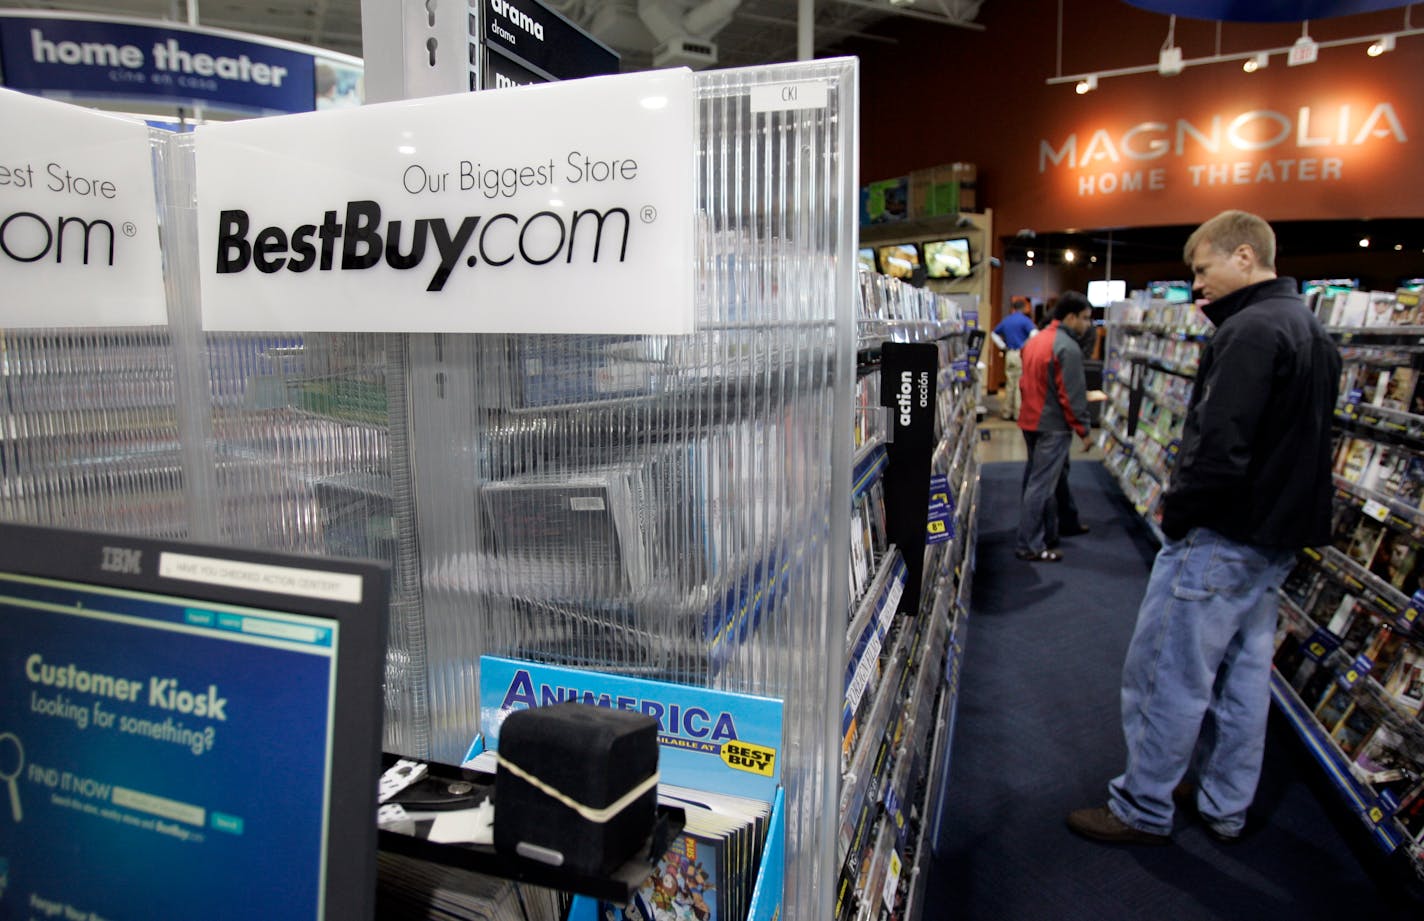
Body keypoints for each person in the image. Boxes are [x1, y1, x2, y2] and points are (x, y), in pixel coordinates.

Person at [1067, 210, 1341, 845]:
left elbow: (1221, 447)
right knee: (1244, 679)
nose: (1197, 285)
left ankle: (1142, 805)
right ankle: (1224, 803)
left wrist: (1180, 512)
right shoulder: (1309, 328)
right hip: (1273, 540)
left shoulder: (1248, 331)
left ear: (1244, 256)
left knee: (1169, 673)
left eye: (1203, 268)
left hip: (1221, 534)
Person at [1015, 292, 1094, 562]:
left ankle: (1053, 530)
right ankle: (1030, 544)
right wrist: (1083, 429)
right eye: (1085, 318)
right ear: (1070, 317)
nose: (1088, 325)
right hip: (1052, 424)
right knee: (1041, 484)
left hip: (1031, 419)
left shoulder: (1035, 341)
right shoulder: (1067, 348)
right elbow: (1071, 395)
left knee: (1044, 479)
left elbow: (1024, 383)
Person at [992, 296, 1037, 420]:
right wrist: (1026, 346)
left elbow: (993, 333)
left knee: (1010, 383)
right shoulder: (1025, 321)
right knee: (1019, 384)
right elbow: (1035, 334)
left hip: (1010, 354)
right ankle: (1018, 413)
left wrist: (1003, 346)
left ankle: (1007, 412)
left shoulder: (1007, 320)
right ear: (1023, 308)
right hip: (1021, 354)